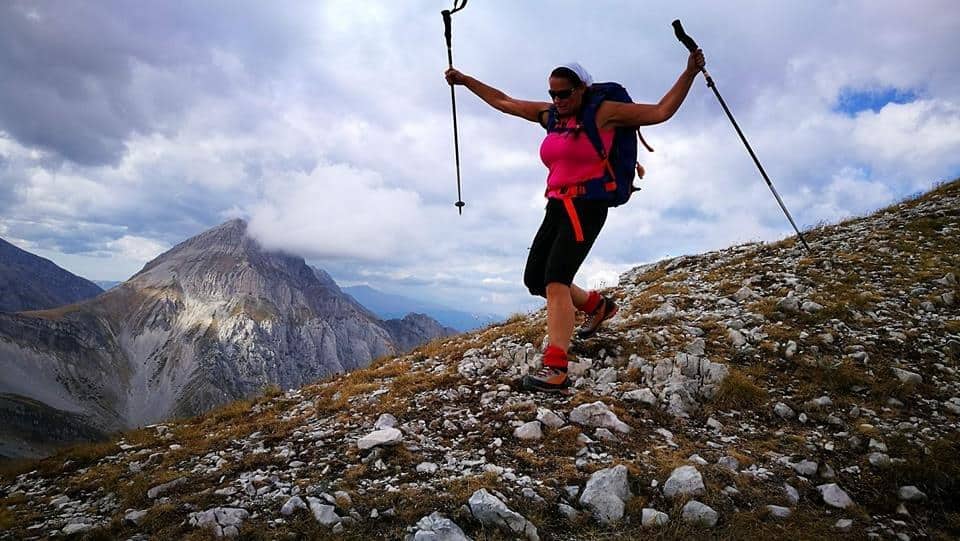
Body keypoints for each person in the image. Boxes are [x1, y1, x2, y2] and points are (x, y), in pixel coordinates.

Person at [445, 49, 705, 392]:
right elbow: (504, 101)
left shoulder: (604, 114)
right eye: (552, 93)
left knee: (555, 280)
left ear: (582, 89)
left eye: (563, 93)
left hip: (587, 206)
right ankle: (598, 307)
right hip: (557, 204)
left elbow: (660, 111)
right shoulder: (553, 117)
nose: (557, 99)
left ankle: (556, 368)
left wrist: (689, 73)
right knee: (535, 279)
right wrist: (465, 81)